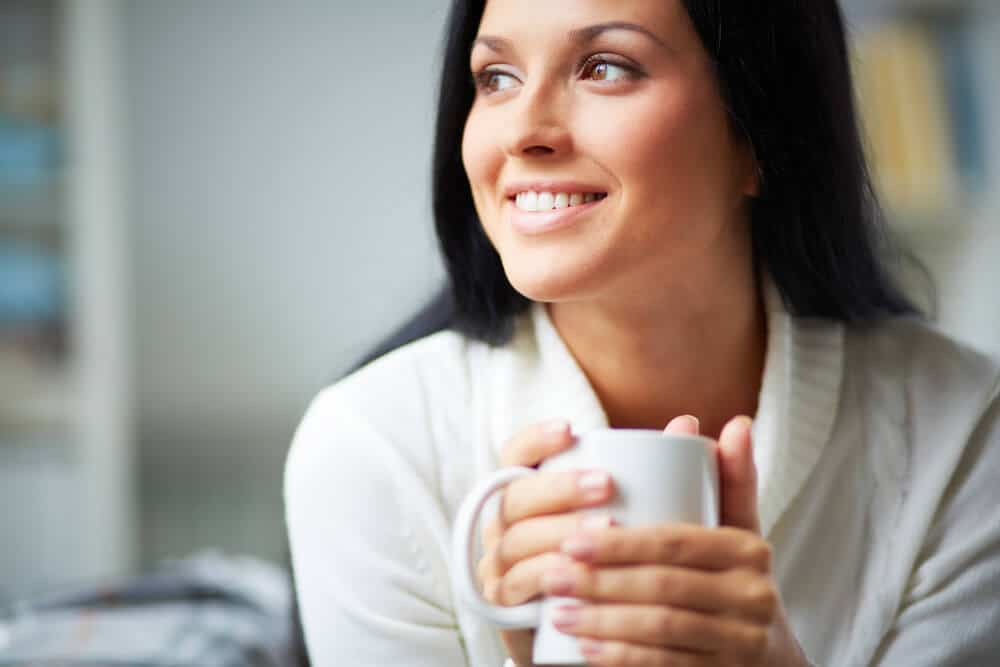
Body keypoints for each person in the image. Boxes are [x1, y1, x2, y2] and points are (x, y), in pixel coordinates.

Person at [284, 0, 1000, 665]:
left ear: (759, 133)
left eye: (606, 68)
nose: (524, 131)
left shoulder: (967, 435)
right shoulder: (370, 446)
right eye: (496, 76)